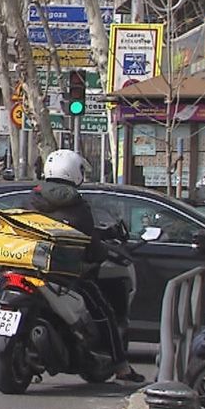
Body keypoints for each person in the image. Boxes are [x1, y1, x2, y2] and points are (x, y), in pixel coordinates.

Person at [30, 149, 145, 383]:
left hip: (32, 266)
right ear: (74, 172)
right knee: (104, 312)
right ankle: (121, 366)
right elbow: (89, 244)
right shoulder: (77, 205)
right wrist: (100, 253)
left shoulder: (35, 198)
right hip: (68, 275)